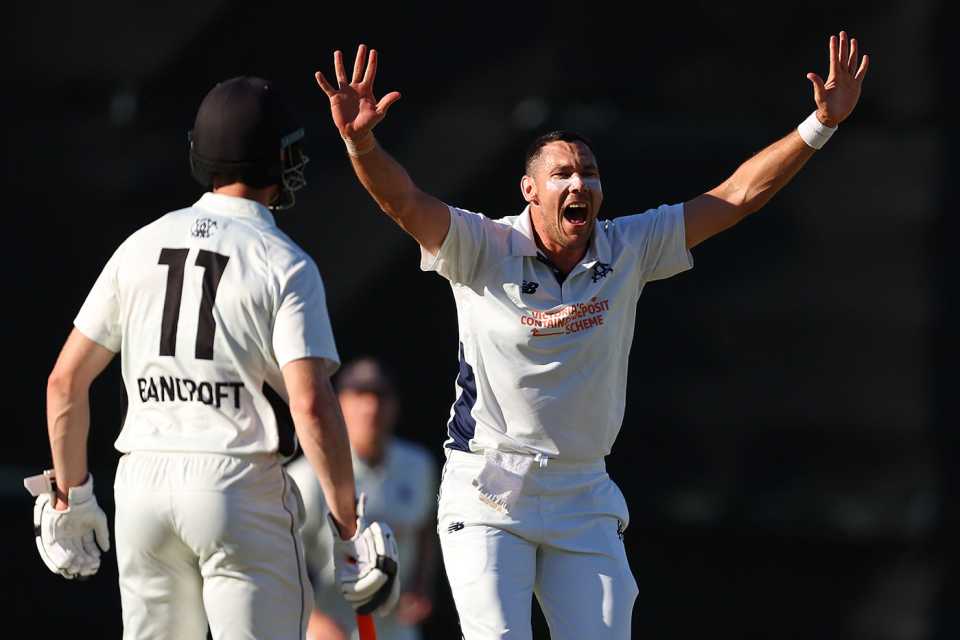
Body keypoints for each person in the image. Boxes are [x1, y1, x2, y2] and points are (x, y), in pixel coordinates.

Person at [313, 32, 869, 640]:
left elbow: (736, 196)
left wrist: (820, 123)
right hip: (489, 493)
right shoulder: (481, 247)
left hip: (583, 492)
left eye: (590, 172)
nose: (579, 183)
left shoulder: (629, 246)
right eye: (561, 174)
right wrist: (360, 140)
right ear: (530, 191)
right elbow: (403, 202)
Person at [24, 75, 399, 639]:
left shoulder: (140, 244)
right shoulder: (284, 261)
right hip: (237, 482)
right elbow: (312, 406)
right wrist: (349, 528)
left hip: (142, 485)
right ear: (280, 160)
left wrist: (70, 498)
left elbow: (64, 383)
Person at [287, 356, 440, 640]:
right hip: (330, 629)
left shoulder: (418, 466)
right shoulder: (304, 476)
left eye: (381, 396)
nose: (372, 408)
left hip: (396, 630)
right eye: (360, 395)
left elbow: (424, 528)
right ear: (339, 403)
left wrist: (421, 587)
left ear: (396, 405)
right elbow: (278, 554)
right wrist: (312, 619)